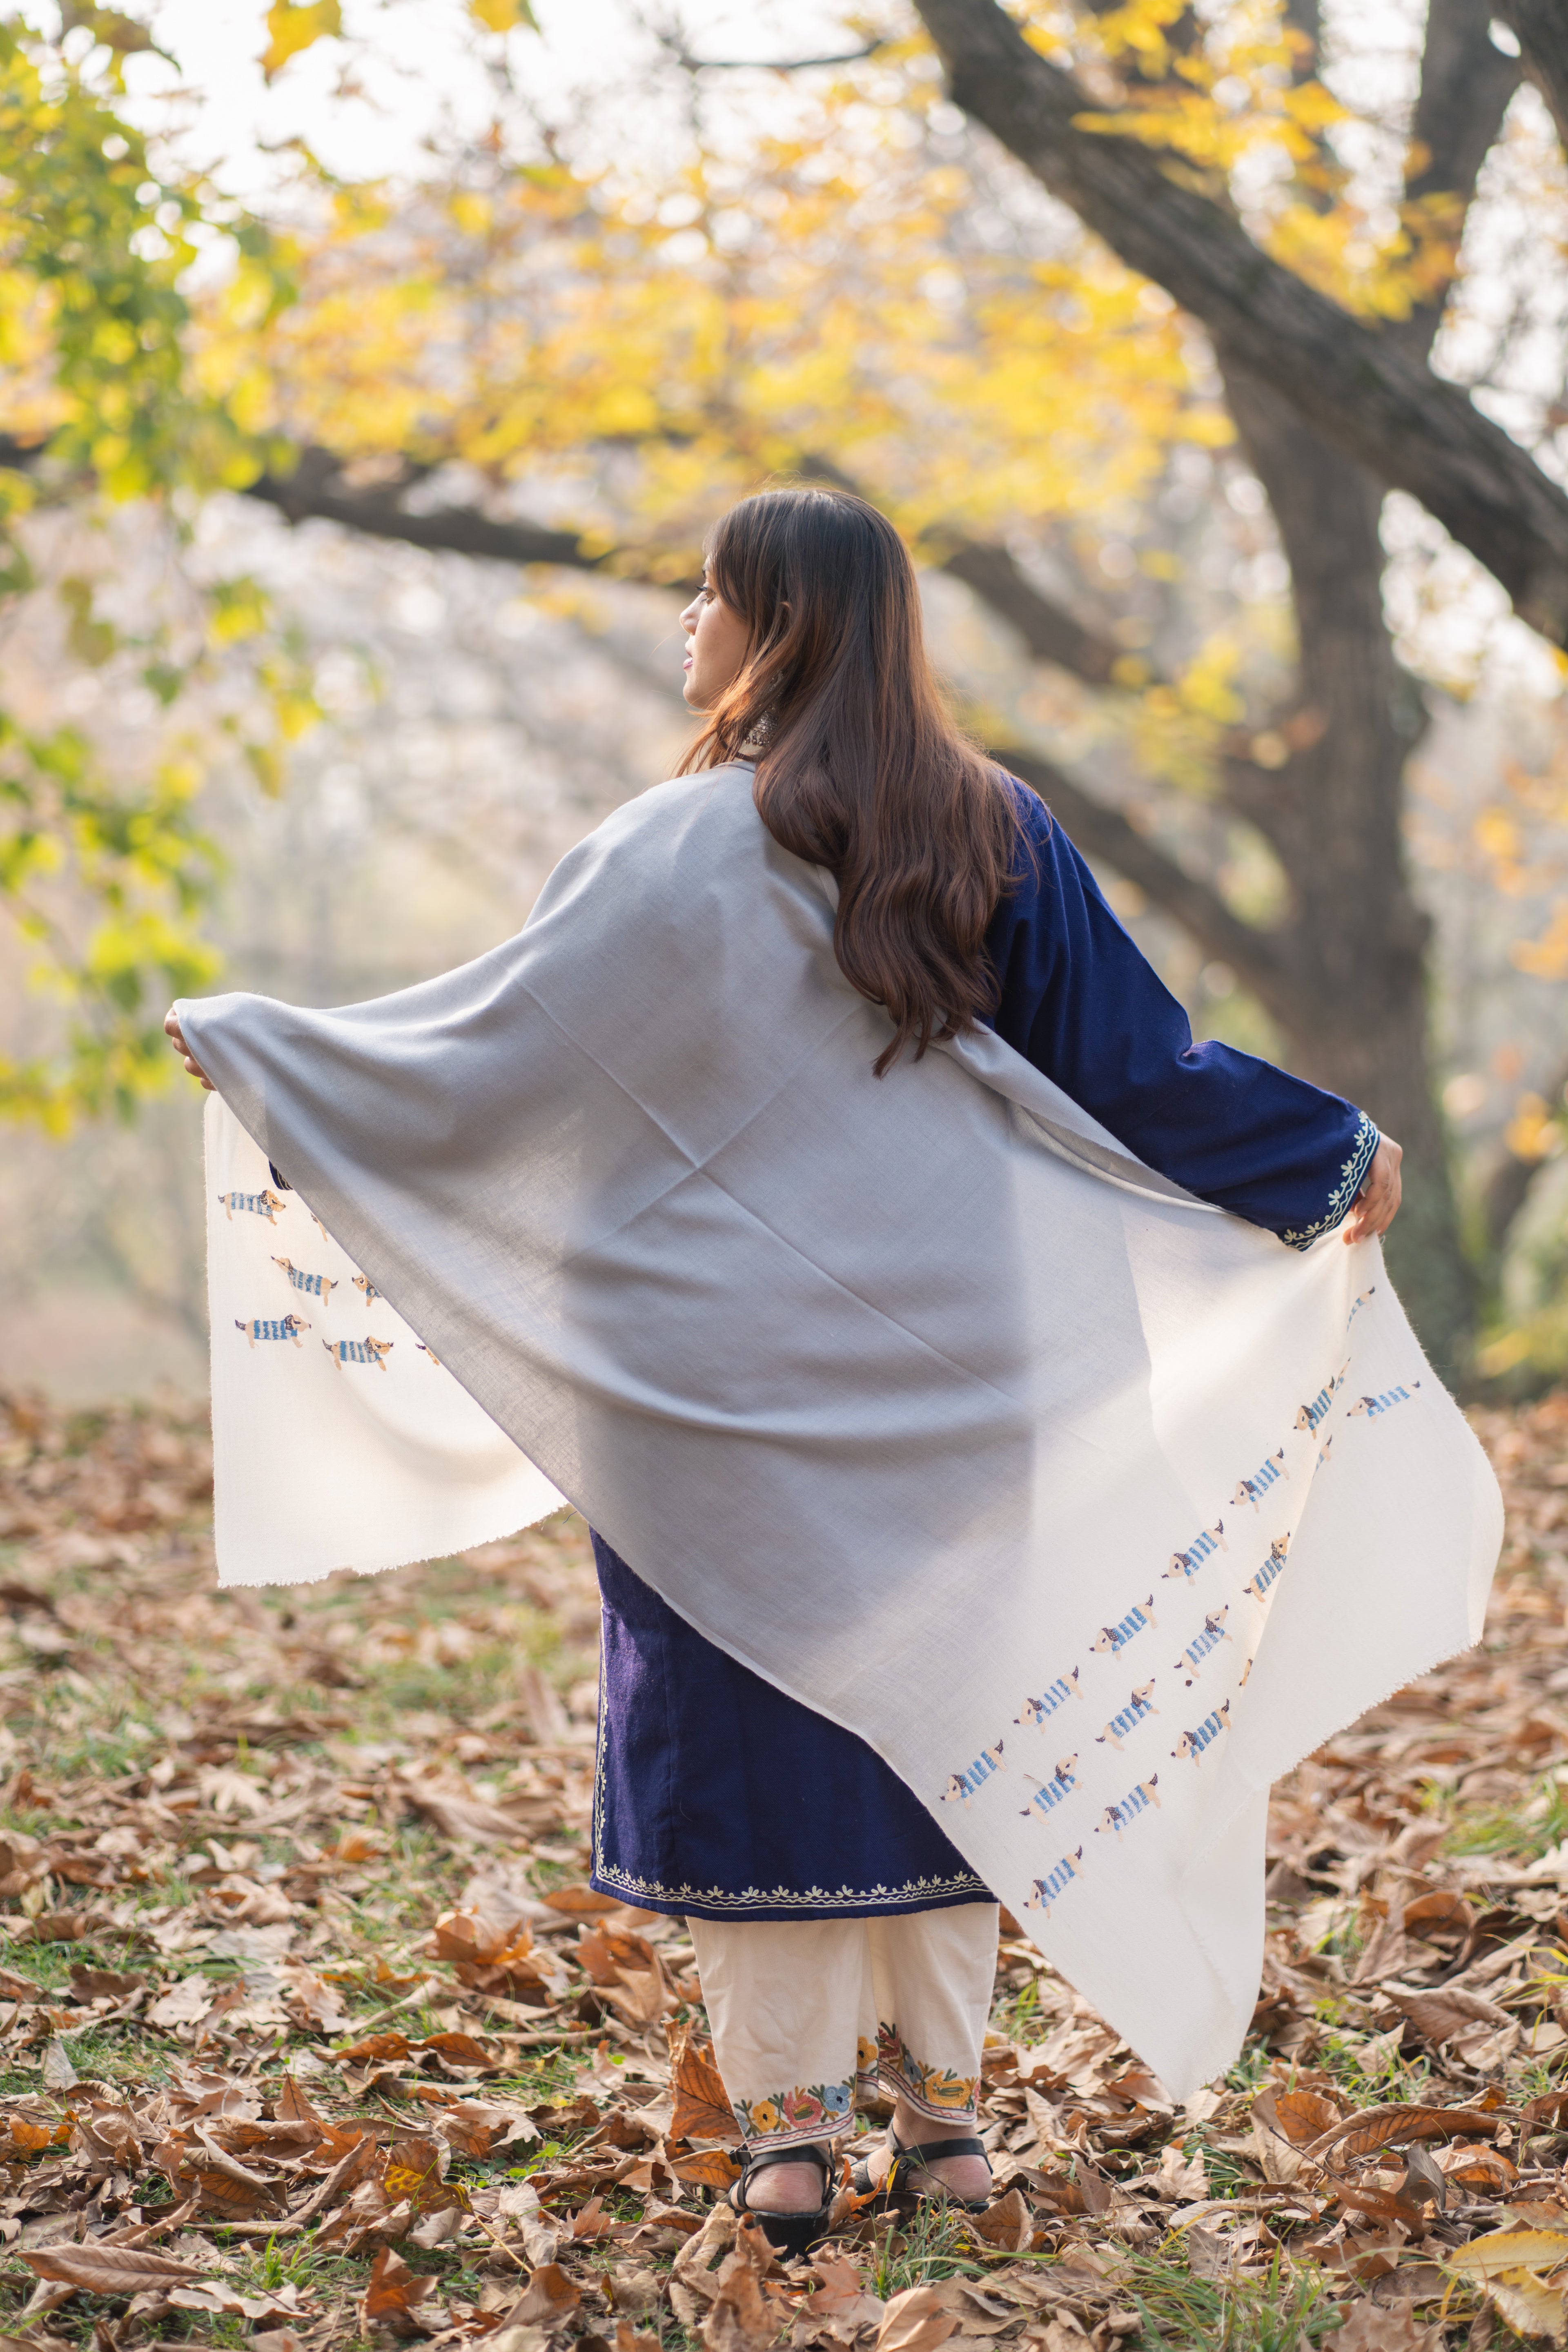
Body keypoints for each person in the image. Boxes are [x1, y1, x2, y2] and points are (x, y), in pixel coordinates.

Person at [169, 486, 1402, 2256]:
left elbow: (498, 1064)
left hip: (713, 1396)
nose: (690, 625)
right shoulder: (996, 830)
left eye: (711, 594)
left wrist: (279, 1058)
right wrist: (1328, 1154)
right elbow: (1141, 1070)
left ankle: (792, 2142)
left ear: (783, 625)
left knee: (755, 1725)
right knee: (966, 1706)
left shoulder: (657, 851)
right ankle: (952, 2119)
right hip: (973, 1375)